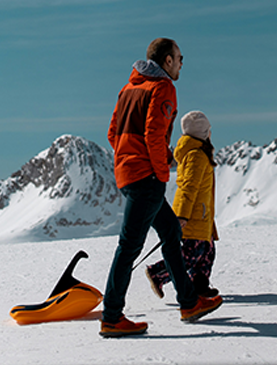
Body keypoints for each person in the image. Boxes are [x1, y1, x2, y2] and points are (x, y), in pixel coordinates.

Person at [102, 38, 222, 338]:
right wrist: (159, 171)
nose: (182, 63)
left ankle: (189, 302)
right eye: (180, 58)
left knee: (170, 233)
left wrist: (131, 160)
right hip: (146, 179)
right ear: (167, 61)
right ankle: (111, 316)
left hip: (130, 175)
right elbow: (154, 135)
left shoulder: (128, 89)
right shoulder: (163, 87)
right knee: (128, 247)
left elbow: (112, 133)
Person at [146, 111, 220, 299]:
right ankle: (158, 273)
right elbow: (188, 187)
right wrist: (182, 216)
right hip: (193, 215)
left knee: (207, 252)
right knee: (190, 255)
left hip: (202, 215)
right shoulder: (196, 155)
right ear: (204, 133)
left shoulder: (199, 153)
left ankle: (199, 285)